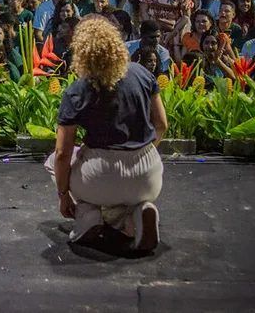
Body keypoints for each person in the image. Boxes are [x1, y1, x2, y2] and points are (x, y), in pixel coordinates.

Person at [46, 16, 166, 252]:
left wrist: (63, 196)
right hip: (149, 175)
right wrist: (144, 151)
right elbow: (161, 124)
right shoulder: (143, 74)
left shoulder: (77, 90)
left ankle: (87, 214)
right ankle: (136, 214)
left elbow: (62, 152)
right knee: (124, 195)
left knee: (52, 161)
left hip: (100, 175)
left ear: (81, 52)